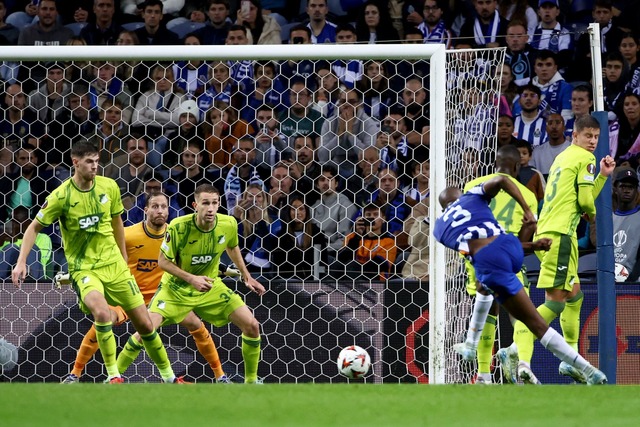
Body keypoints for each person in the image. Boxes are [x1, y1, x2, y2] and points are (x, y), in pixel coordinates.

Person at [11, 141, 178, 383]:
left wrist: (122, 254)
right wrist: (21, 262)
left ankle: (170, 378)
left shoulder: (109, 186)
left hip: (115, 266)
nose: (95, 166)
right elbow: (34, 227)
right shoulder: (61, 196)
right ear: (75, 162)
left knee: (145, 324)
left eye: (97, 161)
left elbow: (117, 221)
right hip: (84, 268)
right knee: (101, 313)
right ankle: (113, 375)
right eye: (89, 161)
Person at [434, 175, 607, 385]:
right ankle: (472, 348)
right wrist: (527, 212)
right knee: (484, 286)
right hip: (511, 245)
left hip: (489, 259)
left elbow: (475, 249)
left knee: (533, 322)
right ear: (459, 196)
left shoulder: (439, 228)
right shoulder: (471, 197)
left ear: (444, 208)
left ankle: (588, 370)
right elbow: (501, 180)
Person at [61, 191, 231, 383]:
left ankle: (220, 375)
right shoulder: (128, 235)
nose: (160, 211)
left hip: (163, 297)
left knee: (197, 325)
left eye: (164, 207)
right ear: (146, 210)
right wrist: (71, 276)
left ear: (169, 210)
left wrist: (225, 270)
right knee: (103, 321)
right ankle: (75, 374)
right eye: (155, 206)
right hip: (128, 296)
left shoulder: (177, 234)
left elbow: (195, 260)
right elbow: (102, 259)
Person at [115, 184, 266, 383]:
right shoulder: (179, 226)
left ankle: (251, 382)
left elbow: (232, 246)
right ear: (195, 205)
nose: (211, 208)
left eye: (214, 203)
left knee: (252, 325)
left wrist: (246, 276)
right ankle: (112, 377)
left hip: (210, 287)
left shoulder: (228, 223)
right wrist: (191, 279)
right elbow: (163, 261)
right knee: (145, 330)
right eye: (205, 203)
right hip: (175, 289)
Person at [511, 115, 616, 383]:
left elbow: (580, 193)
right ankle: (516, 348)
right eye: (588, 136)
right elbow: (585, 199)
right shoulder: (585, 158)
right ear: (575, 136)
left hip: (548, 232)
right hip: (560, 235)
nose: (593, 142)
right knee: (554, 304)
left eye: (596, 137)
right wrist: (591, 213)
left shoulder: (564, 157)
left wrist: (602, 177)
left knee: (575, 295)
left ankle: (571, 360)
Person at [452, 145, 539, 384]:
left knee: (487, 311)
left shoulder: (473, 186)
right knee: (520, 314)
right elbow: (526, 235)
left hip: (478, 255)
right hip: (509, 255)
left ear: (495, 163)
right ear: (518, 166)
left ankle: (483, 375)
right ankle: (524, 364)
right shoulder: (527, 195)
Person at [338, 204, 397, 281]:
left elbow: (377, 266)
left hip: (376, 282)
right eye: (368, 215)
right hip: (349, 276)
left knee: (353, 265)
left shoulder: (389, 242)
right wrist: (357, 236)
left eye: (375, 214)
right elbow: (341, 260)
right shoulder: (352, 237)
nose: (371, 218)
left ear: (383, 219)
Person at [612, 166, 640, 282]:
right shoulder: (608, 219)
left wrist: (631, 279)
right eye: (623, 186)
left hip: (635, 281)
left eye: (631, 187)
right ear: (615, 189)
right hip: (610, 278)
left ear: (636, 191)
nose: (627, 190)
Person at [531, 113, 570, 179]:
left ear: (564, 128)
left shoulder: (572, 149)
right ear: (545, 128)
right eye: (550, 123)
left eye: (558, 123)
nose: (554, 126)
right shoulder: (537, 152)